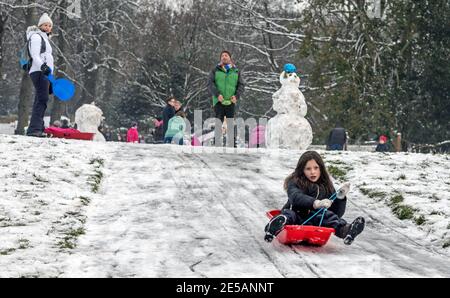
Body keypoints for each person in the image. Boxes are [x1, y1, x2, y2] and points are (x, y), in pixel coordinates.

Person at [264, 151, 365, 245]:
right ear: (302, 170)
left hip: (315, 221)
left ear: (321, 168)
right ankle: (276, 225)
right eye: (308, 169)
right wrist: (315, 203)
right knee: (289, 214)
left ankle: (346, 230)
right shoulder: (295, 182)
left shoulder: (326, 185)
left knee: (327, 216)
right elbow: (295, 197)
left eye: (316, 168)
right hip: (296, 216)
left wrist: (340, 198)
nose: (313, 172)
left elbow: (336, 213)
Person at [26, 13, 55, 137]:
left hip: (45, 73)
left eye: (49, 25)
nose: (48, 27)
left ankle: (38, 128)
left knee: (41, 99)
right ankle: (34, 129)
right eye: (45, 24)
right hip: (38, 71)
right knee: (42, 99)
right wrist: (43, 67)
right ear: (40, 25)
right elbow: (35, 55)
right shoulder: (36, 37)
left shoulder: (45, 39)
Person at [208, 51, 245, 146]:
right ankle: (216, 142)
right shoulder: (215, 70)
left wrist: (236, 96)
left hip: (231, 101)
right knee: (218, 120)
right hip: (218, 100)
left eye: (226, 55)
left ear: (230, 58)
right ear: (220, 58)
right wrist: (217, 94)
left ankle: (232, 143)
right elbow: (210, 84)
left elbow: (241, 85)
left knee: (230, 121)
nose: (224, 57)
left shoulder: (236, 71)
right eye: (222, 56)